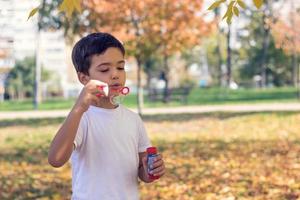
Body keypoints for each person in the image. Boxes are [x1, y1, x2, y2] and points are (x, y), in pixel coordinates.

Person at [48, 32, 165, 200]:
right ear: (84, 78)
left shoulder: (133, 120)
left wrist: (151, 170)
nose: (115, 74)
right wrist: (78, 108)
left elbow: (142, 170)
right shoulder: (82, 118)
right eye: (104, 69)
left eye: (120, 67)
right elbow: (56, 159)